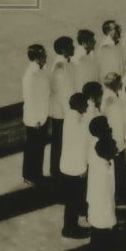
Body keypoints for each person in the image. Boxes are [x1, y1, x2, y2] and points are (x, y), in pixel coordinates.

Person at [86, 134, 118, 251]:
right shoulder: (103, 172)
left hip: (96, 213)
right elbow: (106, 198)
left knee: (96, 246)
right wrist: (110, 221)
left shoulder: (101, 164)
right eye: (114, 148)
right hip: (102, 215)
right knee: (102, 250)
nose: (117, 149)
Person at [60, 92, 91, 239]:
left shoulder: (70, 117)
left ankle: (71, 226)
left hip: (68, 165)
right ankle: (70, 229)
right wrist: (83, 168)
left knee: (72, 200)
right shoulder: (79, 124)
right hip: (75, 167)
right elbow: (81, 148)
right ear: (79, 105)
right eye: (85, 103)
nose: (87, 105)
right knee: (73, 200)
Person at [49, 36, 78, 179]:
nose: (73, 48)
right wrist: (69, 113)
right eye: (70, 46)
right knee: (59, 143)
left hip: (67, 111)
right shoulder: (60, 67)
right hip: (62, 113)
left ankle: (61, 170)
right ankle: (56, 172)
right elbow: (62, 93)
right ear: (63, 49)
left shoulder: (68, 63)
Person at [22, 44, 50, 185]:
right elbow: (30, 99)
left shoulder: (41, 70)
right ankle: (29, 175)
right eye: (43, 55)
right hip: (35, 120)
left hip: (42, 115)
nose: (46, 56)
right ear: (37, 57)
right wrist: (36, 120)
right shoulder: (31, 75)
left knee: (39, 147)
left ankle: (37, 174)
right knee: (32, 148)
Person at [101, 72, 126, 207]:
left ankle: (119, 196)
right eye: (119, 81)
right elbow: (115, 122)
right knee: (117, 171)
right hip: (116, 139)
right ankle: (118, 198)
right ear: (115, 84)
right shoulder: (110, 100)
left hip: (118, 138)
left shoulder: (113, 97)